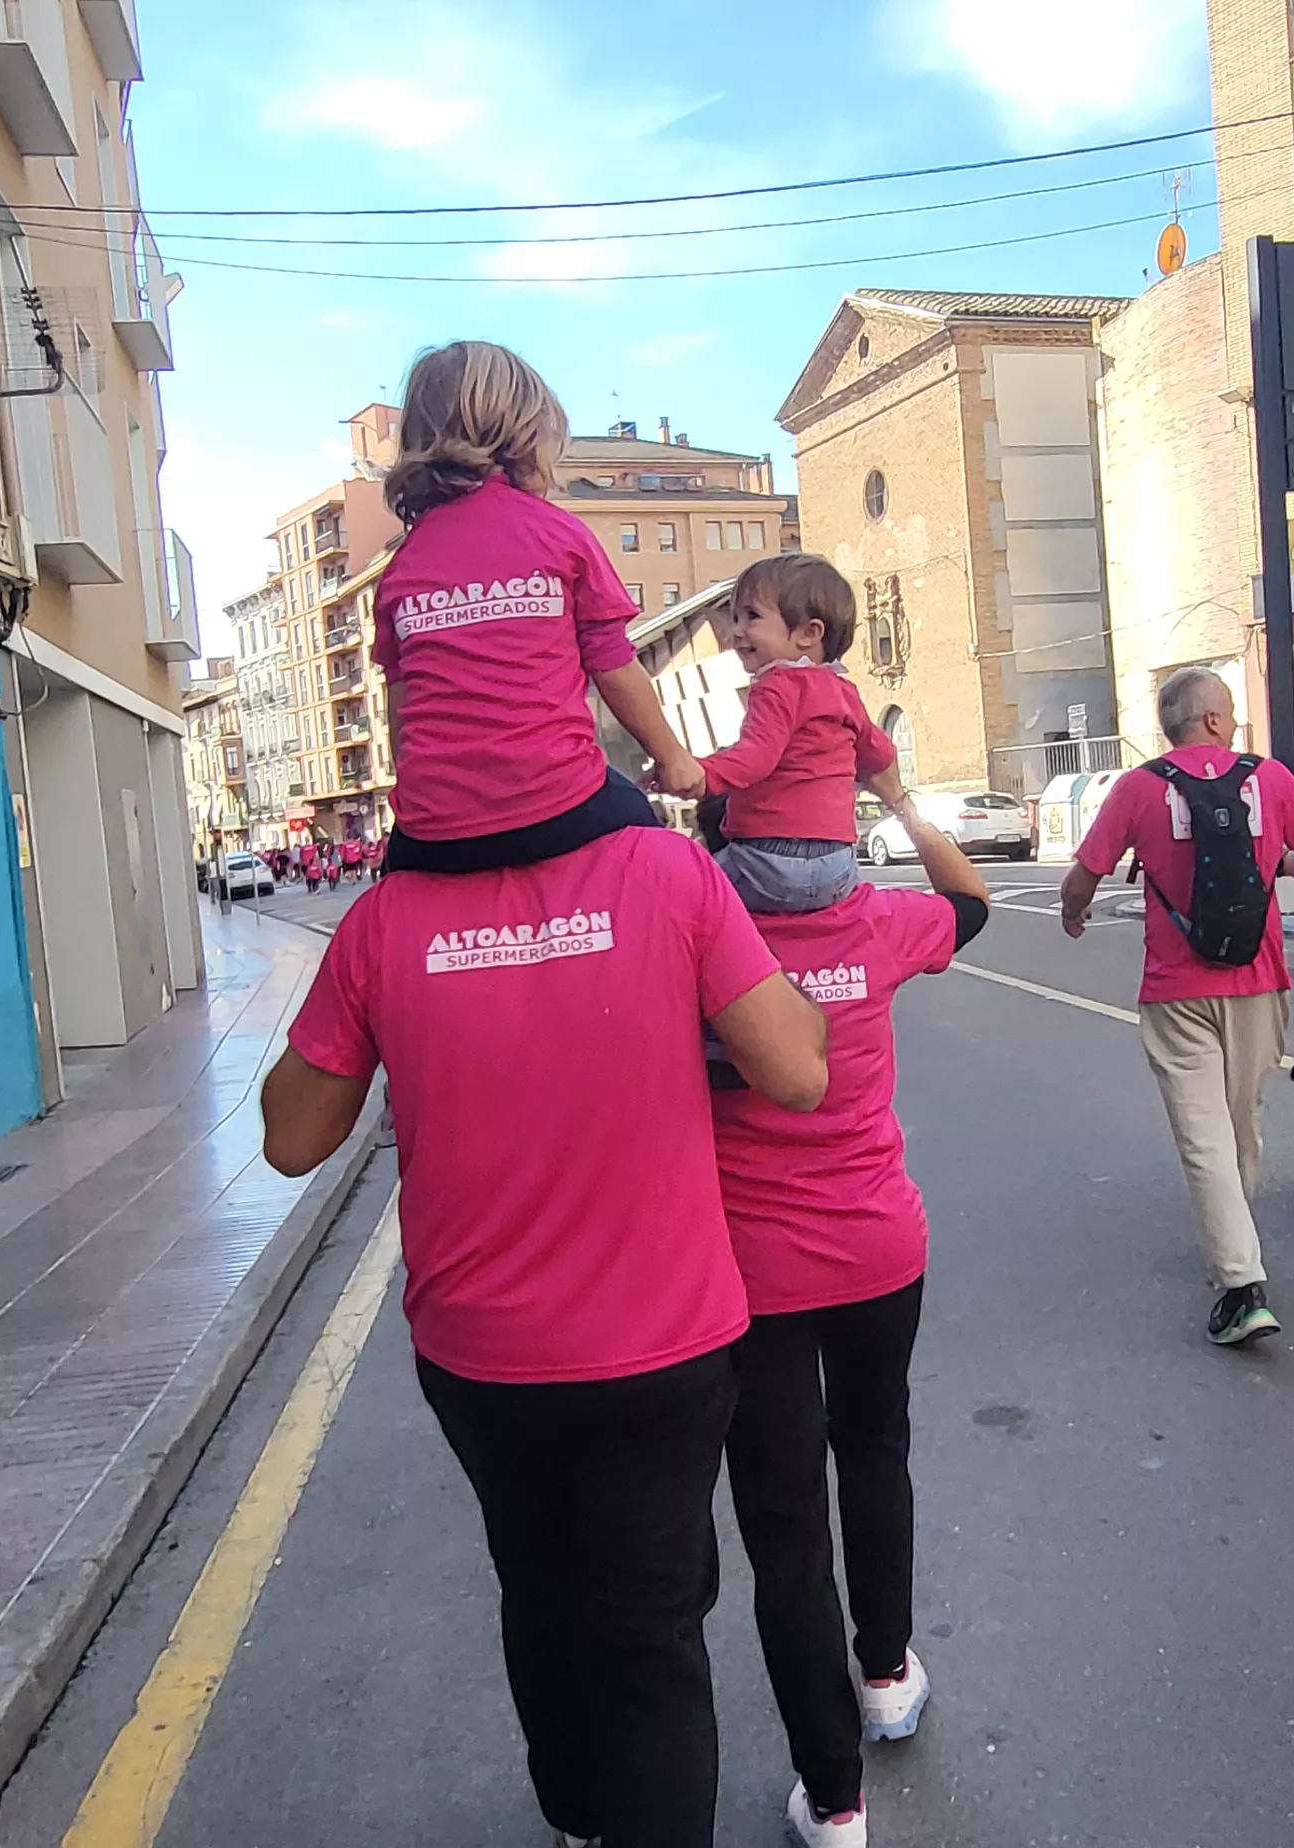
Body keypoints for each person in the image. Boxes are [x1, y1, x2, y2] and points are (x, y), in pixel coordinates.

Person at [259, 826, 831, 1848]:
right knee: (653, 1632)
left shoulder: (384, 920)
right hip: (663, 1346)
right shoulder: (667, 873)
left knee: (537, 1580)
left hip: (483, 1358)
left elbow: (291, 1138)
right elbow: (796, 1072)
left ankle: (574, 1813)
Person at [703, 779, 984, 1848]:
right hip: (878, 1248)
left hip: (749, 1273)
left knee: (783, 1528)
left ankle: (834, 1801)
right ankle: (886, 1674)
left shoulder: (698, 930)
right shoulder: (880, 920)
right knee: (874, 1450)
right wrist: (905, 801)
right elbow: (972, 906)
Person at [1057, 665, 1294, 1346]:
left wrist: (1074, 914)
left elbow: (1082, 877)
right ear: (1212, 719)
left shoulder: (1137, 787)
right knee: (1239, 1123)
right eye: (1231, 712)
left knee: (1203, 1136)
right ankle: (1234, 1242)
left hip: (1177, 990)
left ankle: (1243, 1284)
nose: (1235, 722)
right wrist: (1285, 866)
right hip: (1259, 981)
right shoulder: (1268, 779)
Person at [373, 341, 704, 876]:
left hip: (434, 835)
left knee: (399, 886)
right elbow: (614, 665)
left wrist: (419, 800)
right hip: (557, 804)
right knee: (660, 855)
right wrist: (674, 759)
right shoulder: (558, 535)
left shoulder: (403, 567)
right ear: (527, 434)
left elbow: (402, 702)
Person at [694, 556, 902, 914]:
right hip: (837, 865)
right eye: (736, 619)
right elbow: (879, 754)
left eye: (752, 617)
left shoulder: (776, 685)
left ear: (809, 633)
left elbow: (754, 759)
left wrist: (695, 772)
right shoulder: (844, 691)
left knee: (688, 887)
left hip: (765, 859)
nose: (737, 632)